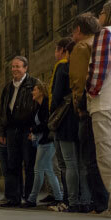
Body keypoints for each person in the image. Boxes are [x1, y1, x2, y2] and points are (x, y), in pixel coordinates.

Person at [70, 12, 105, 213]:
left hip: (90, 107)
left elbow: (79, 80)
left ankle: (100, 203)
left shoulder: (82, 47)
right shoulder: (102, 44)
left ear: (78, 30)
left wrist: (80, 105)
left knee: (91, 159)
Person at [0, 56, 39, 207]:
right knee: (12, 164)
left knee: (29, 164)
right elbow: (2, 110)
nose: (14, 69)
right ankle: (13, 197)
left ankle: (29, 197)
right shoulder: (8, 87)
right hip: (11, 130)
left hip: (26, 129)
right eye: (13, 67)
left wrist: (33, 129)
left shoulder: (33, 83)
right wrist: (1, 131)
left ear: (25, 68)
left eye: (18, 66)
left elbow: (38, 107)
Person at [21, 81, 63, 208]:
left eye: (34, 90)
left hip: (47, 142)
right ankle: (58, 197)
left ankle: (32, 199)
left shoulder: (45, 105)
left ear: (40, 91)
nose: (32, 92)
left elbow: (46, 124)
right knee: (48, 170)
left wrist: (34, 130)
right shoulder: (39, 106)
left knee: (38, 170)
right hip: (42, 141)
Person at [87, 1, 111, 213]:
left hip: (104, 104)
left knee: (105, 156)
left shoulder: (105, 33)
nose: (99, 16)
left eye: (102, 12)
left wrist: (90, 91)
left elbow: (98, 70)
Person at [48, 38, 78, 209]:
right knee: (71, 162)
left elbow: (56, 94)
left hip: (62, 120)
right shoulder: (72, 66)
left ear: (63, 51)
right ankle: (71, 199)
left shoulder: (61, 67)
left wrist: (52, 112)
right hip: (71, 118)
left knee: (66, 163)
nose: (55, 54)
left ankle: (69, 200)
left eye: (56, 50)